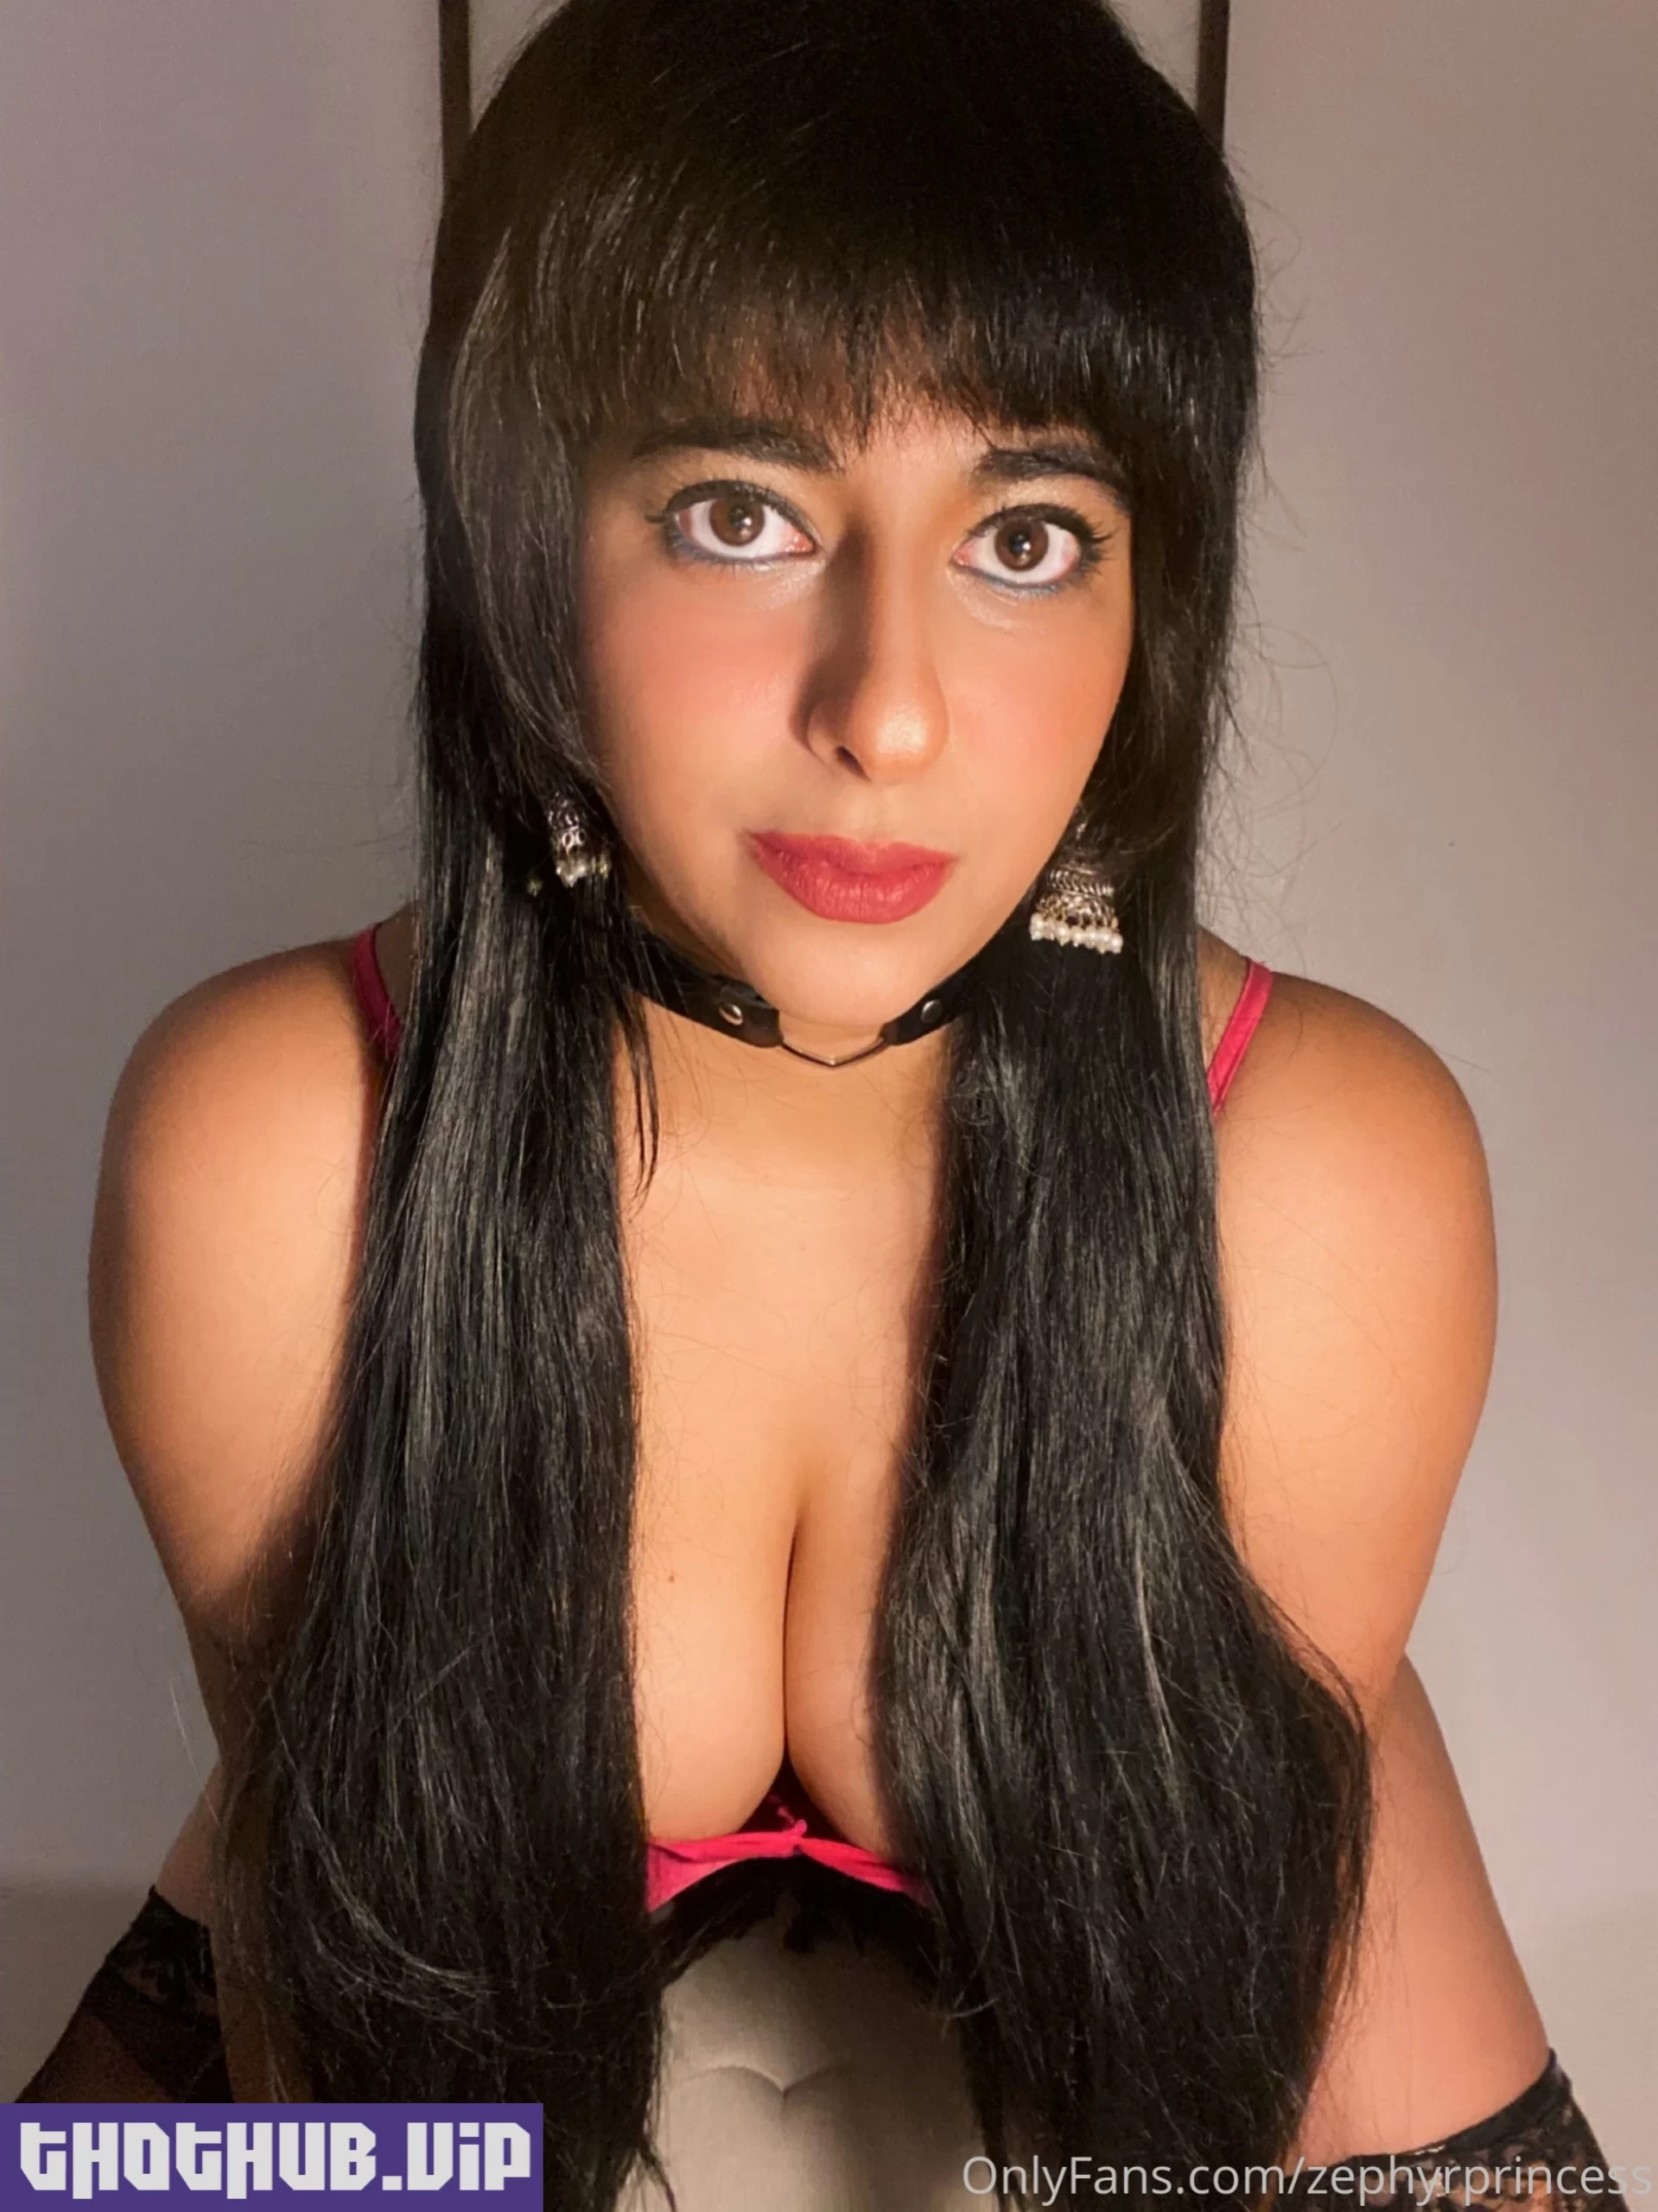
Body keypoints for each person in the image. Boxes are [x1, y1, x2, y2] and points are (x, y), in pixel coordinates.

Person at [21, 0, 1630, 2205]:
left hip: (1179, 1843)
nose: (887, 714)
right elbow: (370, 2038)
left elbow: (1194, 2086)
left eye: (1024, 537)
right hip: (431, 1870)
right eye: (739, 511)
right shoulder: (277, 1150)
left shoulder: (1318, 1174)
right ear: (523, 542)